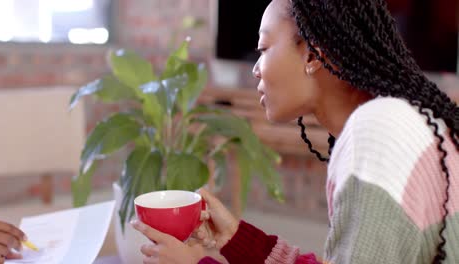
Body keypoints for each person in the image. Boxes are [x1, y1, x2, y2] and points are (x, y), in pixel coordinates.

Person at [131, 0, 459, 263]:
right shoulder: (401, 118)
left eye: (263, 47)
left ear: (313, 54)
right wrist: (236, 239)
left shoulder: (376, 132)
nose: (256, 68)